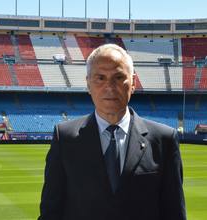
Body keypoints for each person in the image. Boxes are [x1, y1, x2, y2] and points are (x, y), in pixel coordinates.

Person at [38, 44, 186, 220]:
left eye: (118, 77)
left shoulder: (164, 140)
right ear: (88, 84)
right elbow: (50, 213)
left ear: (133, 83)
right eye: (100, 78)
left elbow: (174, 213)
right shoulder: (65, 138)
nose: (109, 86)